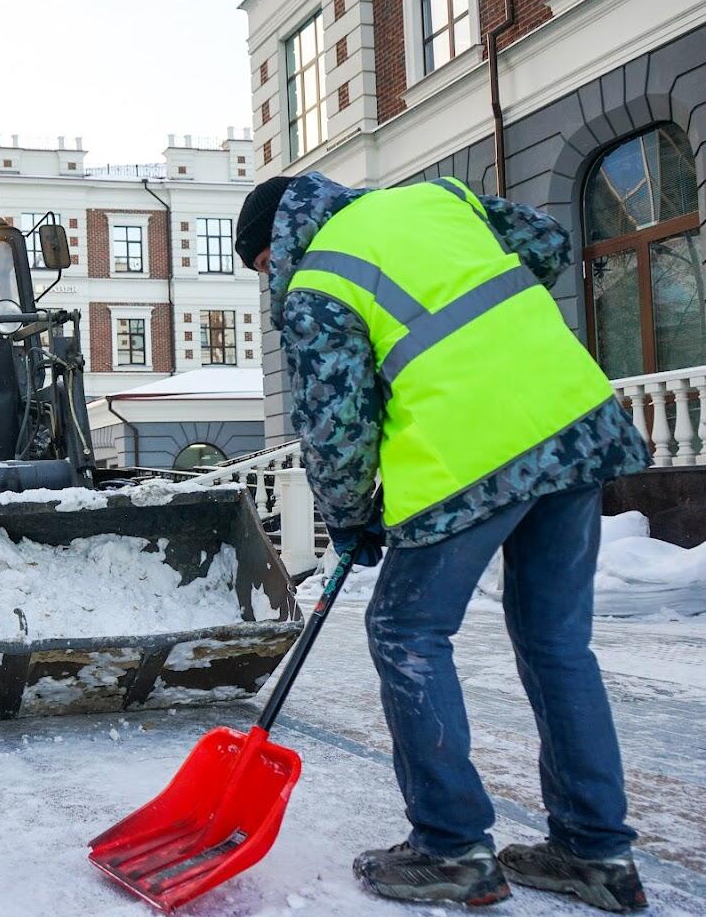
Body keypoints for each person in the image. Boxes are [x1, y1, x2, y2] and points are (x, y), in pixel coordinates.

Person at [234, 173, 650, 912]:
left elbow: (335, 425)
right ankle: (595, 853)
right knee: (557, 643)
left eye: (264, 266)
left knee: (405, 632)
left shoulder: (316, 281)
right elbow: (547, 241)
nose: (271, 282)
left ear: (279, 240)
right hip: (575, 425)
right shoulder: (439, 200)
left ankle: (451, 848)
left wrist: (347, 515)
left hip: (470, 458)